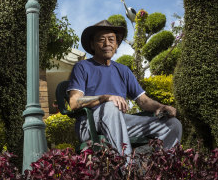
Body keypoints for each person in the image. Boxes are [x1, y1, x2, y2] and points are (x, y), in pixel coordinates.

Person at [67, 20, 182, 158]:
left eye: (111, 39)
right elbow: (74, 102)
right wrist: (105, 98)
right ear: (92, 44)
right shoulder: (82, 67)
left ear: (116, 45)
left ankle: (149, 164)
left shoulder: (123, 70)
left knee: (173, 124)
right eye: (101, 40)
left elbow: (143, 101)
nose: (107, 44)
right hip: (90, 124)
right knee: (110, 107)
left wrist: (161, 106)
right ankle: (126, 168)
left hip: (121, 122)